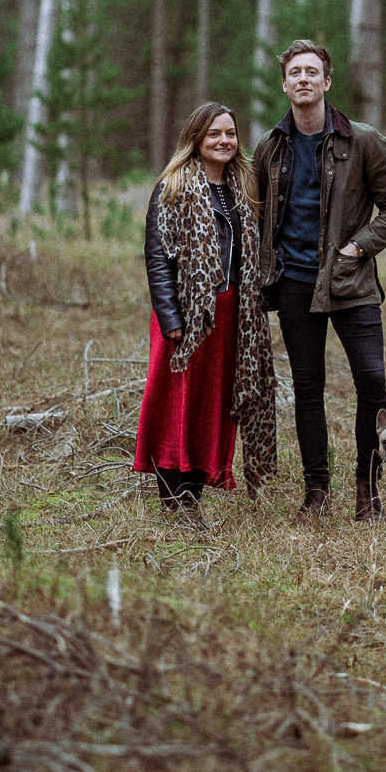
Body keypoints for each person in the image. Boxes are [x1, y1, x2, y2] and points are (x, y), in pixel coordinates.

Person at [252, 40, 386, 520]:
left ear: (326, 82)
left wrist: (357, 247)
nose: (303, 79)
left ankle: (368, 493)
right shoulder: (271, 147)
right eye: (294, 73)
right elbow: (255, 212)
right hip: (294, 283)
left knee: (372, 382)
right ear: (285, 85)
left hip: (351, 281)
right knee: (307, 387)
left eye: (312, 72)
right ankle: (316, 492)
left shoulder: (363, 141)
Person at [137, 102, 279, 514]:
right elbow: (158, 256)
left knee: (212, 405)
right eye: (215, 134)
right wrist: (170, 318)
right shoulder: (174, 186)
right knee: (175, 404)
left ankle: (192, 497)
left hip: (232, 314)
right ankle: (171, 498)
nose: (224, 141)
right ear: (196, 139)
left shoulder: (244, 188)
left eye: (230, 133)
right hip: (184, 315)